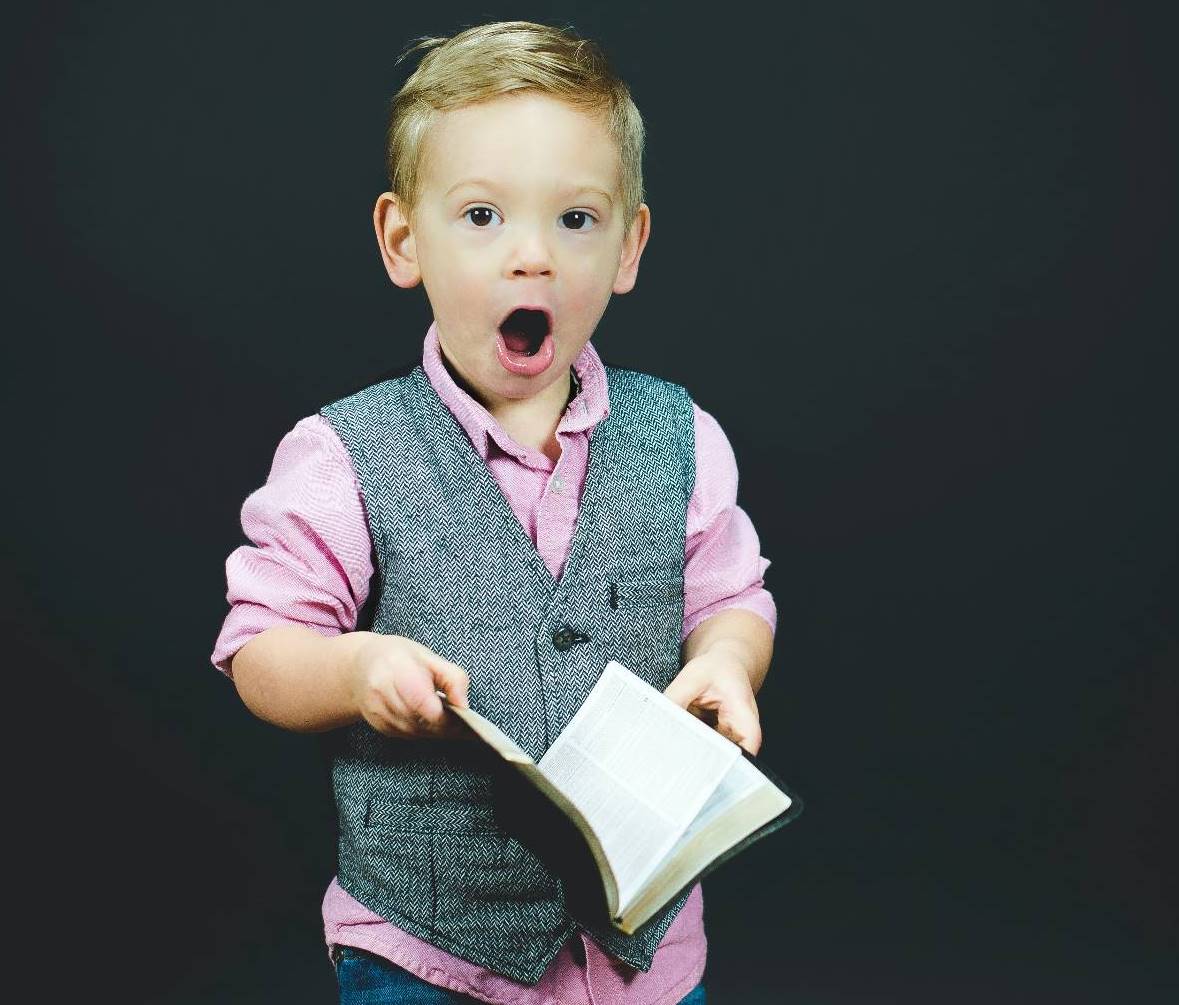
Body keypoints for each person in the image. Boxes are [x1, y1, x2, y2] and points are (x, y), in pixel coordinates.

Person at [211, 20, 777, 1005]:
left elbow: (733, 595)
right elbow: (259, 650)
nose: (531, 257)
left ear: (628, 246)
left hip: (641, 956)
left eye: (575, 219)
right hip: (428, 956)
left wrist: (726, 658)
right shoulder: (344, 457)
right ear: (402, 241)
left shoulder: (681, 436)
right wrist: (353, 667)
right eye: (480, 216)